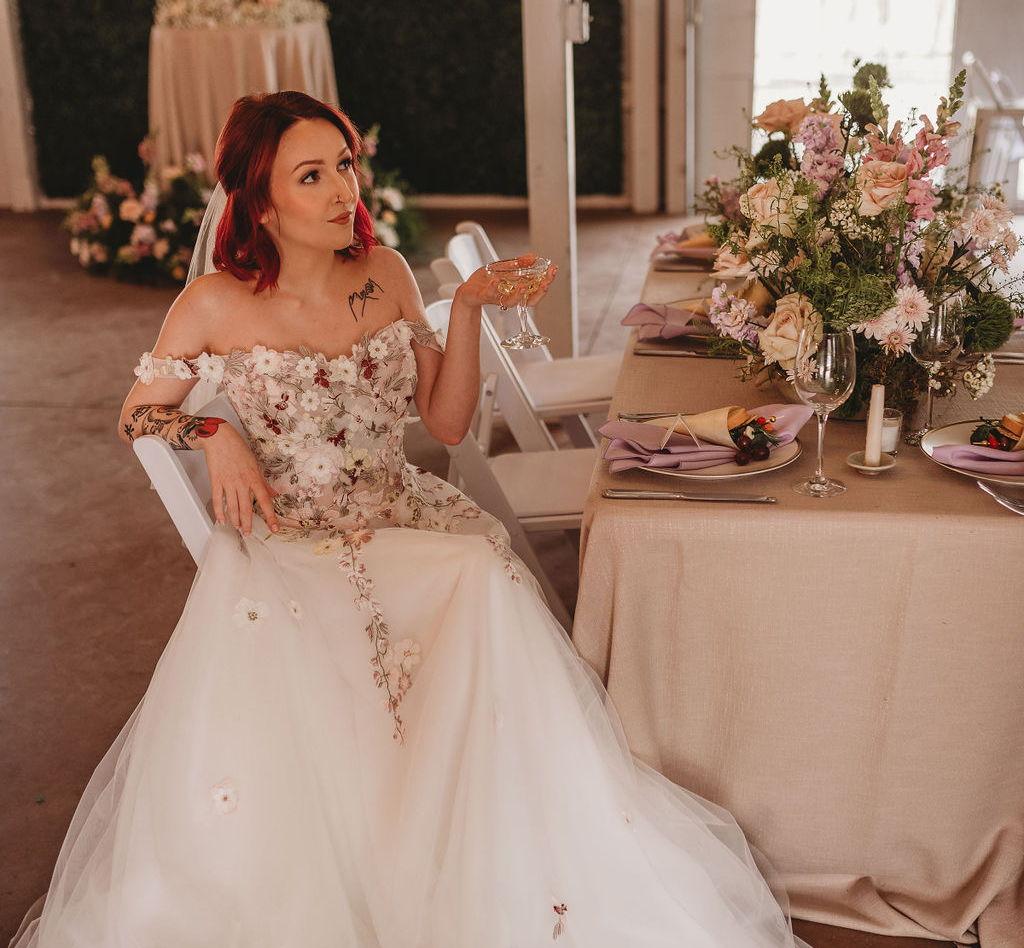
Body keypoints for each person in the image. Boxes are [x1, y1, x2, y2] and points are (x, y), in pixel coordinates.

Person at [10, 91, 809, 948]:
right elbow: (136, 414)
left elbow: (449, 424)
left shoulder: (384, 272)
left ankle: (493, 846)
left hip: (400, 509)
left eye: (344, 166)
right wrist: (212, 434)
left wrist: (463, 309)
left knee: (479, 571)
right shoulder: (213, 302)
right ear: (260, 202)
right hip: (295, 545)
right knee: (476, 574)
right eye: (310, 176)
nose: (340, 190)